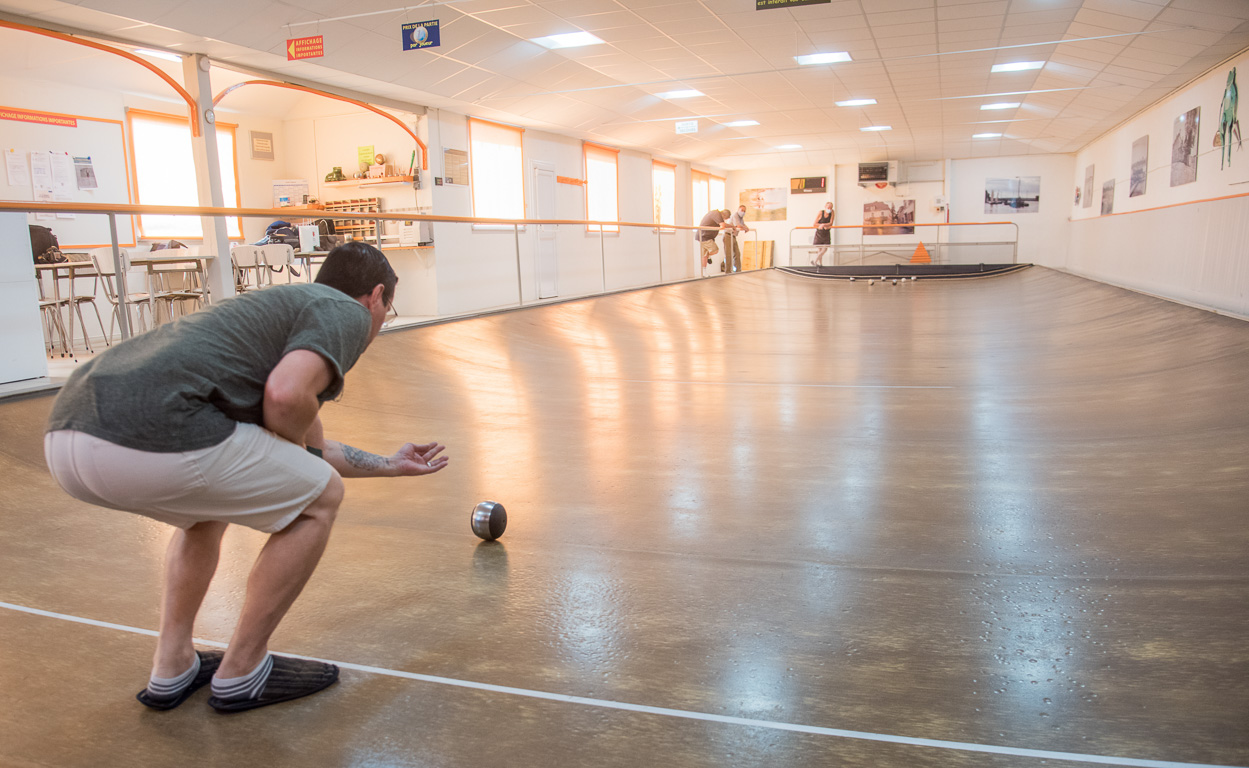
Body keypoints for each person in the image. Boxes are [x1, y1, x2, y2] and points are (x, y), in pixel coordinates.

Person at [43, 241, 448, 714]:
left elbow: (307, 444)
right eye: (387, 311)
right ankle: (243, 670)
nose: (380, 324)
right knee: (322, 496)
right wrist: (297, 456)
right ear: (376, 296)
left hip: (68, 434)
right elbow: (285, 398)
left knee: (209, 509)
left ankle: (172, 664)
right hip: (147, 431)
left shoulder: (279, 318)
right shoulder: (346, 313)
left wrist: (389, 463)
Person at [697, 208, 732, 277]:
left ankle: (704, 272)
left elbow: (724, 224)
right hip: (704, 236)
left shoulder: (716, 215)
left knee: (704, 255)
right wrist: (723, 226)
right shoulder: (716, 214)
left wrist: (732, 226)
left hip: (704, 236)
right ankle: (709, 256)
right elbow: (723, 225)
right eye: (725, 218)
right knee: (715, 250)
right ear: (724, 215)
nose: (724, 220)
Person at [724, 204, 750, 273]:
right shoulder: (735, 215)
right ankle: (727, 272)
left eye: (744, 211)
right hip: (728, 235)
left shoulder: (741, 218)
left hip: (733, 236)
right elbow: (738, 225)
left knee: (737, 254)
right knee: (728, 254)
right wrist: (745, 228)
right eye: (742, 210)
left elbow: (743, 225)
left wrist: (746, 228)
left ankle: (738, 271)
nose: (743, 212)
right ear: (738, 209)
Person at [812, 202, 834, 267]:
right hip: (819, 233)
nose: (829, 209)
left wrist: (824, 224)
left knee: (825, 249)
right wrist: (821, 225)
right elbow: (814, 224)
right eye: (828, 208)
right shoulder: (821, 212)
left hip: (826, 233)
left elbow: (831, 223)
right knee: (819, 249)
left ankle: (815, 261)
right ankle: (820, 264)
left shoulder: (832, 212)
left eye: (831, 208)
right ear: (825, 207)